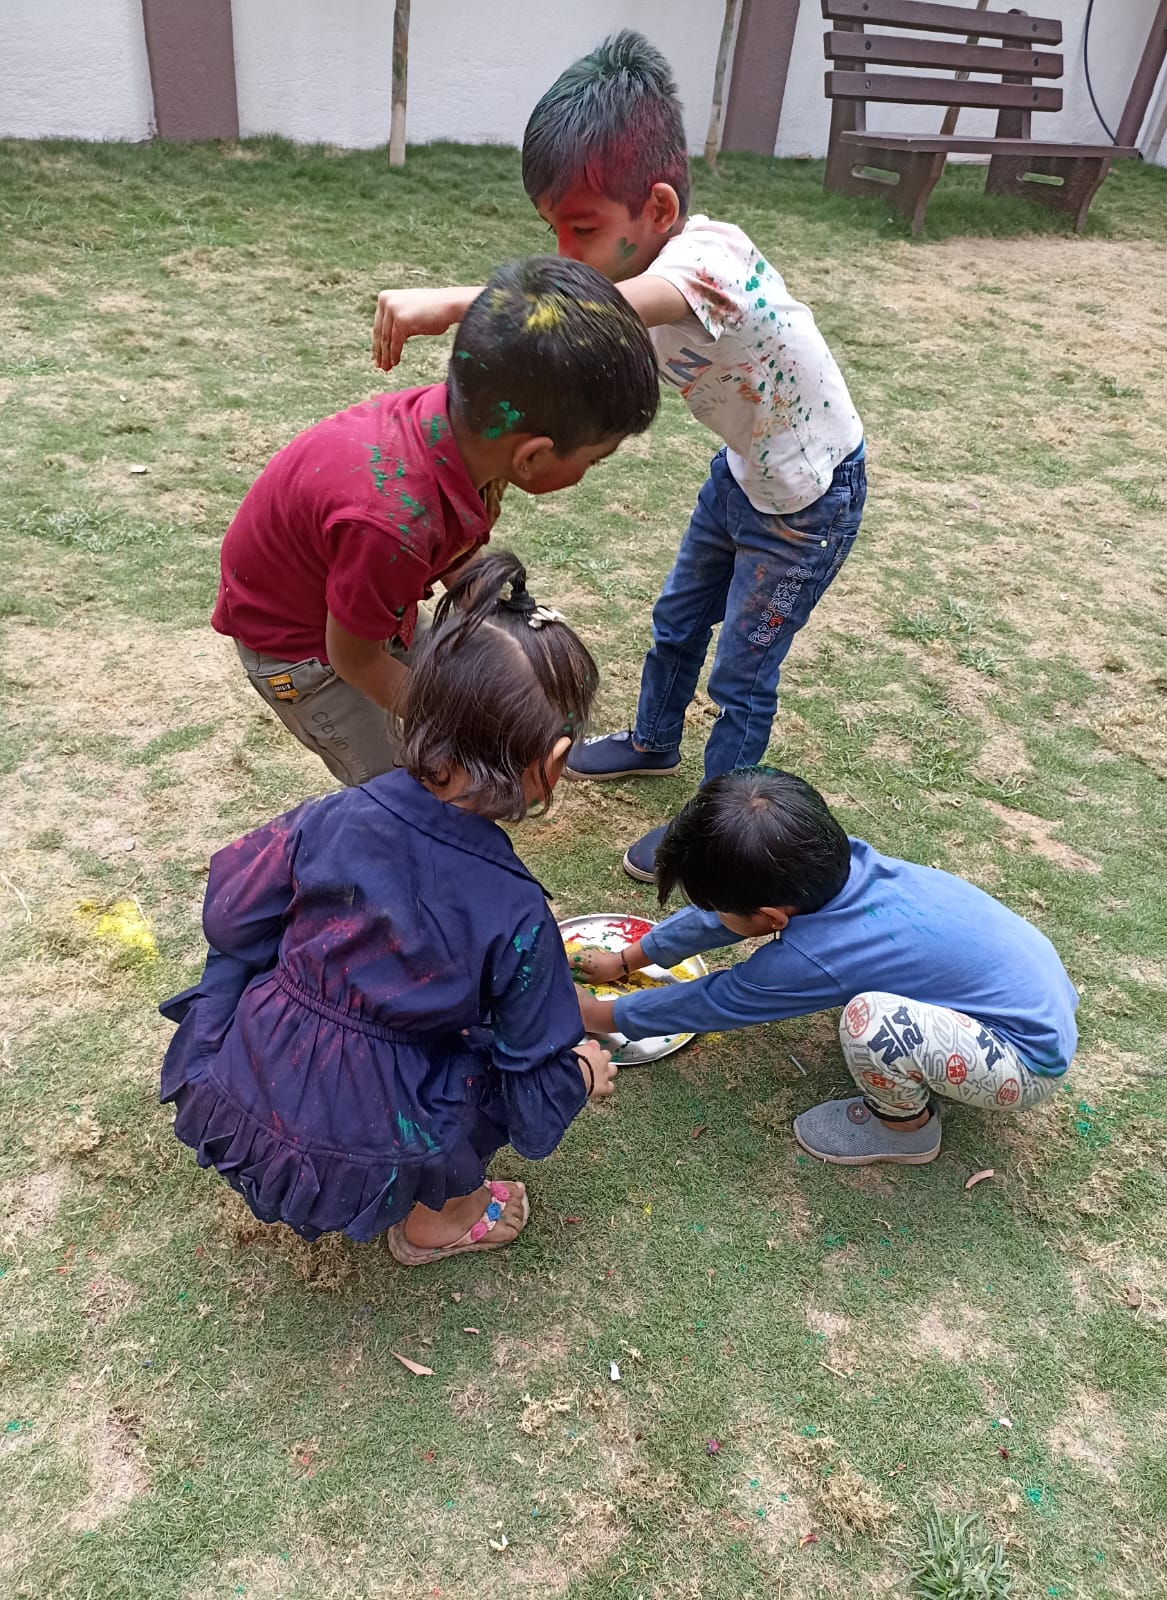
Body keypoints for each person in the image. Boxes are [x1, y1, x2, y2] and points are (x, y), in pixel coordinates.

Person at [373, 32, 866, 879]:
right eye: (552, 229)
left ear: (660, 213)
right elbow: (586, 306)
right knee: (676, 622)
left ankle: (714, 839)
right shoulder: (643, 251)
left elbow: (593, 310)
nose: (567, 251)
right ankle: (652, 740)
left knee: (743, 676)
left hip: (807, 500)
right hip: (741, 475)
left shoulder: (714, 258)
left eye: (583, 228)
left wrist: (453, 303)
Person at [160, 552, 617, 1265]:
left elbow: (231, 919)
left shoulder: (331, 813)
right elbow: (531, 1065)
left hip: (234, 1085)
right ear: (553, 760)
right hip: (362, 1137)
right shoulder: (516, 910)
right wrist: (582, 1071)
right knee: (488, 1069)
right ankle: (443, 1219)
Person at [216, 256, 658, 786]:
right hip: (306, 654)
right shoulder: (392, 524)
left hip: (368, 602)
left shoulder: (465, 430)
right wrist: (462, 723)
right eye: (594, 459)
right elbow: (355, 659)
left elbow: (450, 544)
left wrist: (494, 618)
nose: (590, 471)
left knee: (453, 713)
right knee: (406, 783)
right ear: (533, 457)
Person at [572, 768, 1077, 1167]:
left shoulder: (813, 958)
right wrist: (626, 959)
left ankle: (906, 1131)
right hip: (1035, 987)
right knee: (876, 1006)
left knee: (871, 1024)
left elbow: (720, 1001)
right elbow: (725, 920)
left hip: (1024, 1059)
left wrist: (603, 1017)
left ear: (769, 918)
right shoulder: (829, 864)